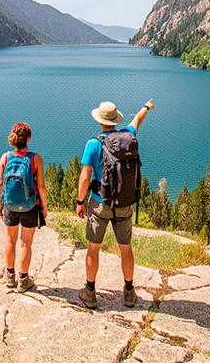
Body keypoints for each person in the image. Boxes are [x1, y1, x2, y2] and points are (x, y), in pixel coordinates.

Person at [76, 99, 153, 309]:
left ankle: (90, 292)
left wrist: (80, 202)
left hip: (99, 204)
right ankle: (129, 293)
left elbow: (85, 177)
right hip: (124, 204)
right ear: (115, 120)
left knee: (93, 248)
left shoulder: (93, 144)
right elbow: (137, 120)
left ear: (100, 121)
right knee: (125, 248)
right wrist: (146, 107)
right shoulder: (128, 136)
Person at [0, 122, 48, 292]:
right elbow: (41, 186)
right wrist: (44, 206)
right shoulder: (35, 158)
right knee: (26, 243)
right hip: (30, 206)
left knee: (10, 240)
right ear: (29, 138)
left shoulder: (5, 157)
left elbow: (0, 184)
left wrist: (0, 203)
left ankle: (10, 277)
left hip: (10, 205)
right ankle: (23, 280)